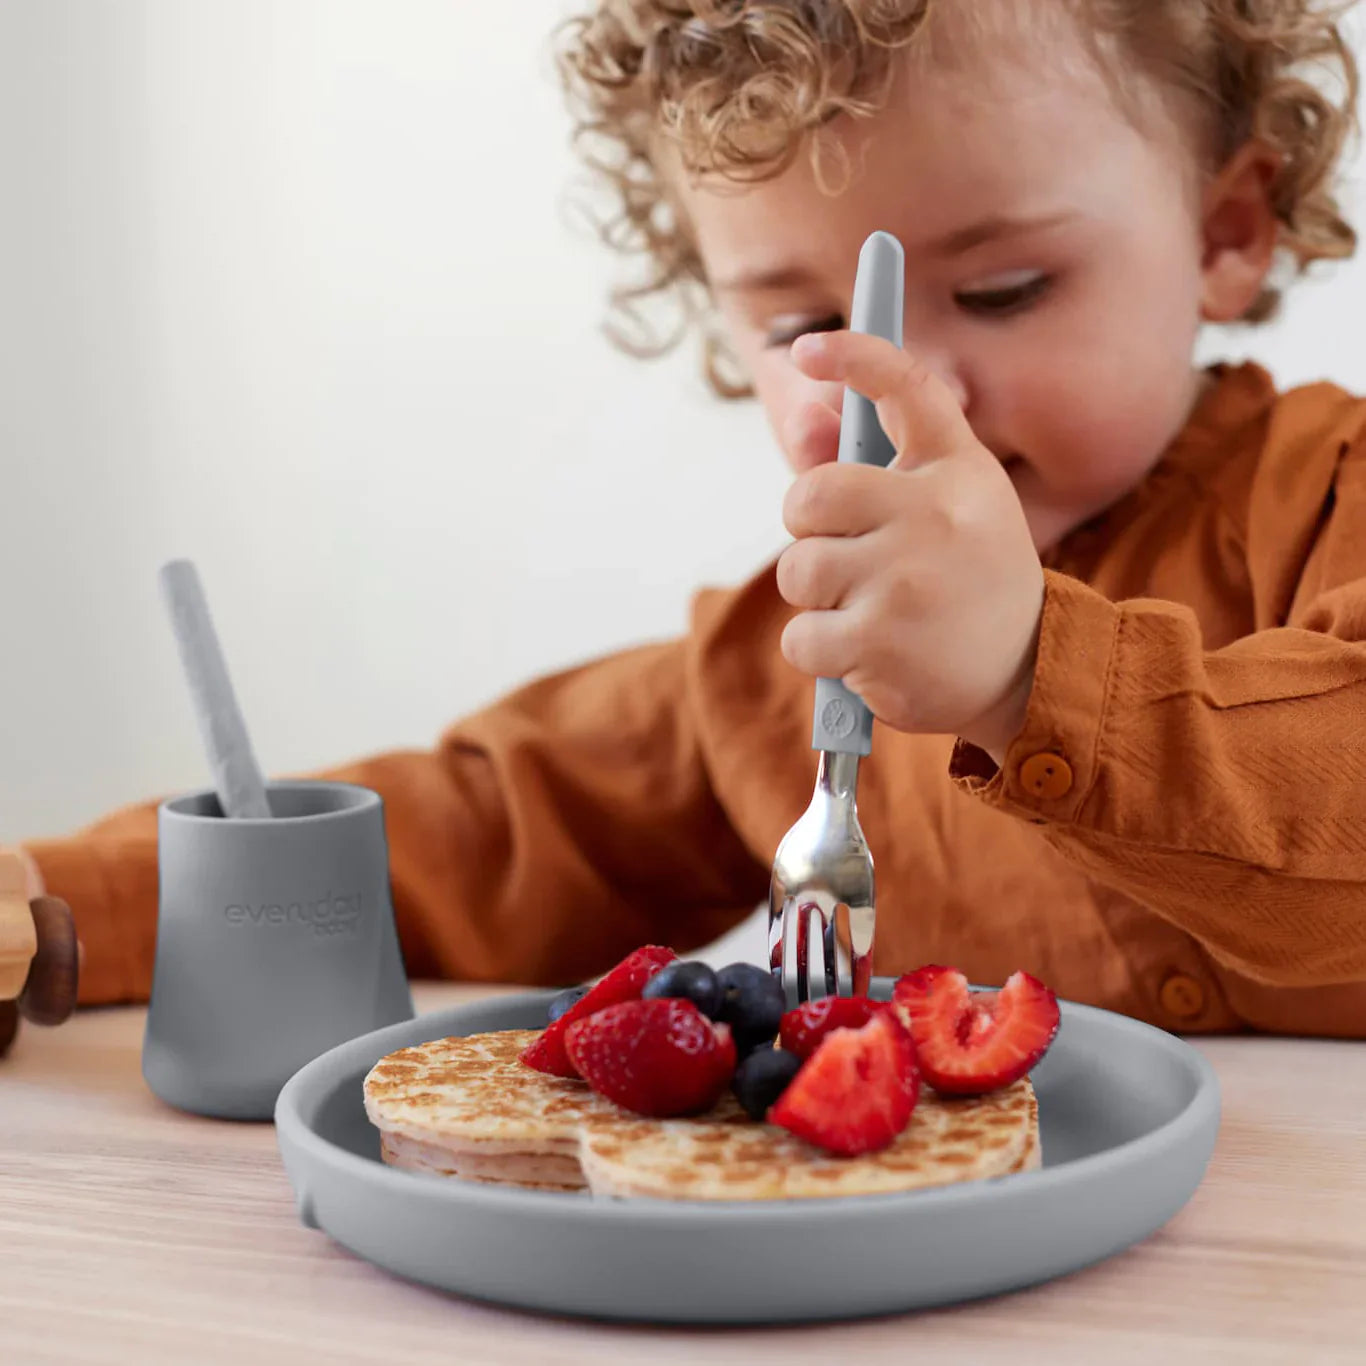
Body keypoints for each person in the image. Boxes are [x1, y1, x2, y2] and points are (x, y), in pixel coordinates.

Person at [10, 0, 1366, 1038]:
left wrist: (1028, 675)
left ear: (1224, 229)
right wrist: (62, 903)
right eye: (798, 324)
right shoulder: (781, 664)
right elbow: (478, 834)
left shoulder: (1328, 491)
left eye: (1005, 287)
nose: (894, 399)